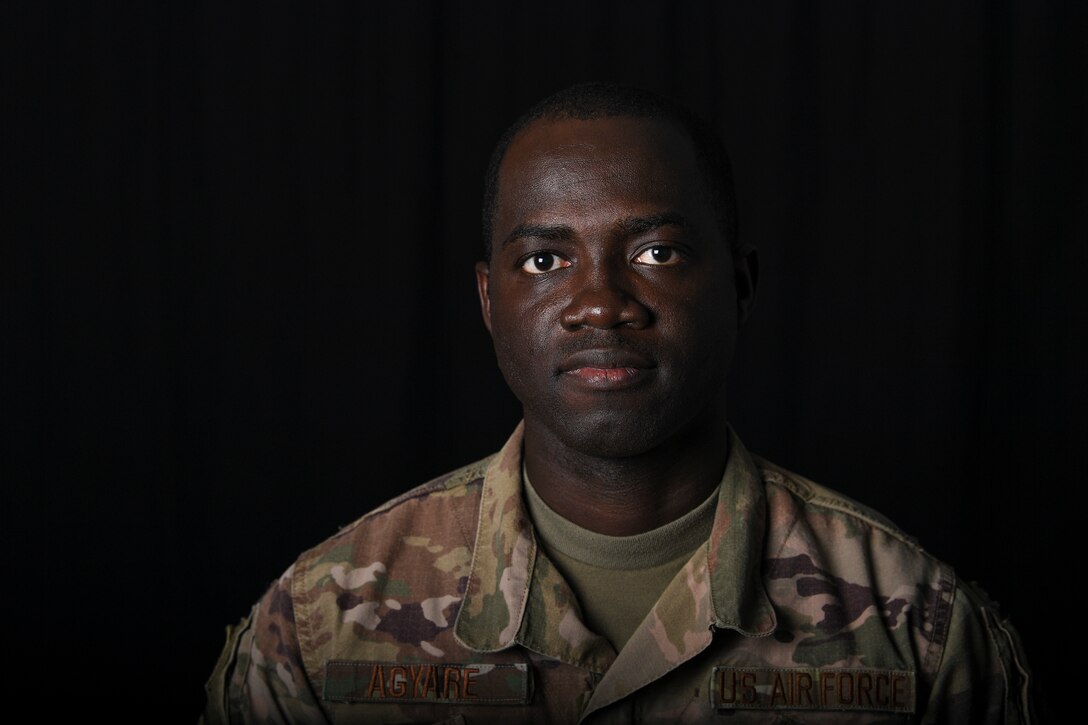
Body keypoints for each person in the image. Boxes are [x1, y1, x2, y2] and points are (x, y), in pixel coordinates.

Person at [202, 82, 1036, 724]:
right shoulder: (322, 626)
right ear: (489, 301)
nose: (601, 303)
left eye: (656, 250)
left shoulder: (918, 634)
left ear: (741, 287)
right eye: (544, 262)